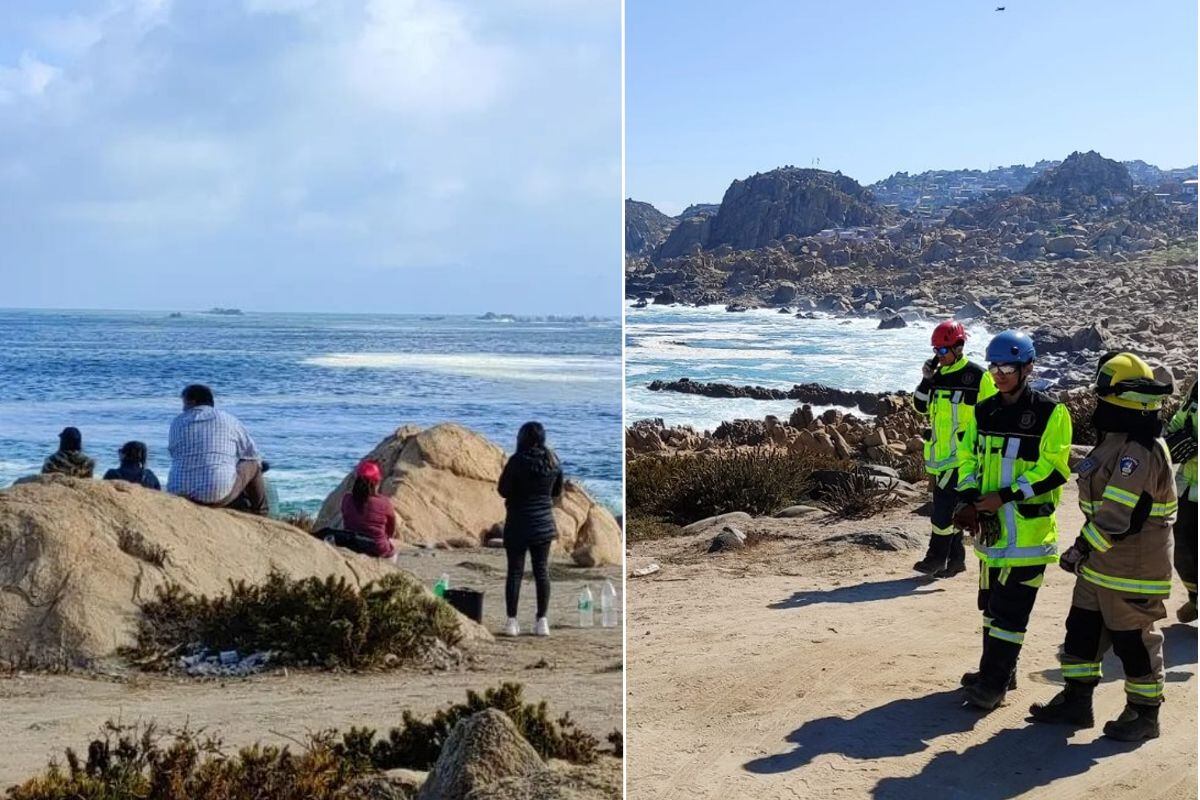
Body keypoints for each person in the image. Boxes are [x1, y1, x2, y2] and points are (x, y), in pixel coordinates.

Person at [1029, 352, 1176, 741]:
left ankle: (1144, 714)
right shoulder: (1118, 440)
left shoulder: (1139, 451)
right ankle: (1077, 702)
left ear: (1118, 401)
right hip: (1101, 565)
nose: (1096, 404)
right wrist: (1087, 554)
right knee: (1081, 631)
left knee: (1132, 640)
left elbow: (1117, 516)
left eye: (1102, 397)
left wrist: (1080, 548)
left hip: (1133, 569)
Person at [952, 329, 1073, 711]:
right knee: (990, 606)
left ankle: (994, 684)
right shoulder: (984, 409)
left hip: (1028, 534)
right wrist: (969, 498)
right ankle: (999, 671)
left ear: (1027, 368)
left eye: (1007, 366)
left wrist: (1004, 496)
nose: (999, 373)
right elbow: (967, 457)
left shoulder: (1050, 412)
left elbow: (1054, 470)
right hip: (991, 534)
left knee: (1010, 611)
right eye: (994, 366)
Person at [912, 319, 996, 578]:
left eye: (943, 351)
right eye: (936, 351)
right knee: (953, 509)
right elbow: (919, 406)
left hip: (963, 458)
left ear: (959, 347)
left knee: (942, 512)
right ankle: (956, 560)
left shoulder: (978, 377)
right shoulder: (936, 377)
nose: (940, 355)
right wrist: (927, 380)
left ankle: (935, 557)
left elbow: (993, 413)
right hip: (939, 457)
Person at [497, 421, 564, 637]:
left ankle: (512, 622)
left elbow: (503, 490)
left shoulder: (516, 461)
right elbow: (556, 492)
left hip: (517, 522)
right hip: (543, 523)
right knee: (541, 571)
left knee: (515, 573)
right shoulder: (553, 461)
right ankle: (542, 621)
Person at [166, 384, 268, 515]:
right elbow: (252, 454)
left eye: (184, 404)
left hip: (178, 494)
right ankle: (261, 512)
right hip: (216, 496)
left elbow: (174, 453)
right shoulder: (228, 419)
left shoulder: (176, 422)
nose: (183, 408)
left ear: (192, 402)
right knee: (253, 463)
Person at [1165, 377, 1197, 623]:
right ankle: (1196, 599)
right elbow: (1179, 419)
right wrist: (1174, 438)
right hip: (1188, 486)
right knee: (1184, 551)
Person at [323, 460, 397, 558]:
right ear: (376, 483)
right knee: (393, 551)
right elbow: (391, 529)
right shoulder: (384, 503)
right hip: (377, 548)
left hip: (352, 544)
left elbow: (347, 518)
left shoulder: (347, 498)